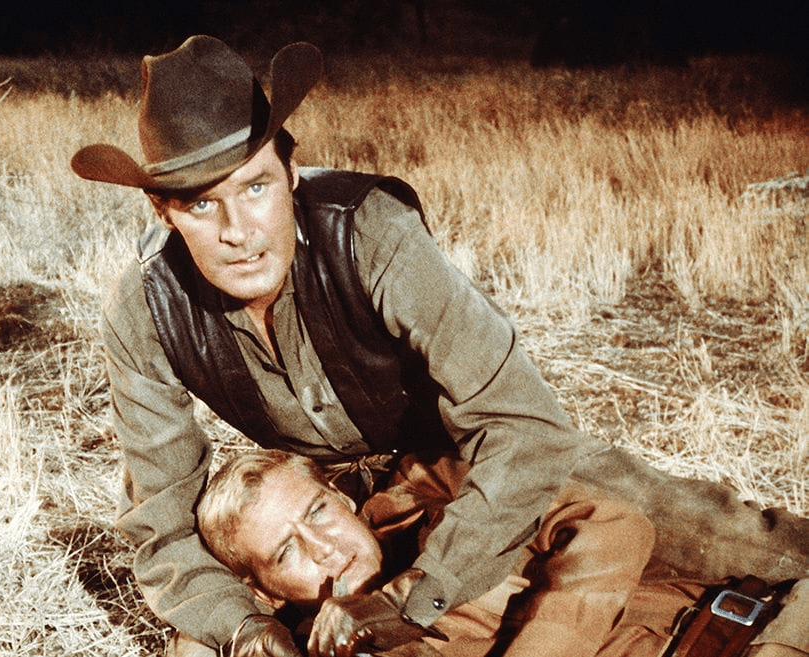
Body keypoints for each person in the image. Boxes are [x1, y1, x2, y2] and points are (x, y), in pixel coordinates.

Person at [70, 35, 809, 656]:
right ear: (162, 211)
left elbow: (523, 426)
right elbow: (162, 526)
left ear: (290, 173)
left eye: (256, 188)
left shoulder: (369, 232)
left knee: (727, 542)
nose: (238, 231)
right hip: (333, 499)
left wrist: (417, 596)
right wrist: (242, 623)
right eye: (202, 203)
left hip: (472, 450)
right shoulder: (144, 309)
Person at [196, 448, 809, 657]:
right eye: (286, 553)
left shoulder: (431, 492)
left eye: (317, 513)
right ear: (263, 592)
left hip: (762, 628)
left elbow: (610, 524)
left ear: (341, 498)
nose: (325, 548)